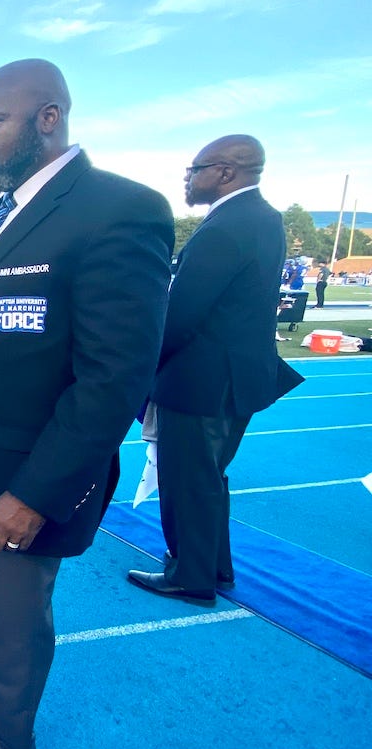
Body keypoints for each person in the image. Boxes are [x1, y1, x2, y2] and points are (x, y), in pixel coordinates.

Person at [0, 59, 173, 749]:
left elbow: (113, 377)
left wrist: (35, 493)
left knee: (12, 621)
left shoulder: (117, 209)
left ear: (48, 117)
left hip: (27, 481)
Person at [128, 136, 304, 607]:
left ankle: (190, 575)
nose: (187, 178)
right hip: (233, 378)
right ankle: (212, 566)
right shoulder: (263, 218)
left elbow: (182, 313)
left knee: (189, 479)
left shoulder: (226, 226)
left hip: (202, 381)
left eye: (194, 169)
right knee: (208, 477)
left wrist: (137, 366)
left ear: (226, 172)